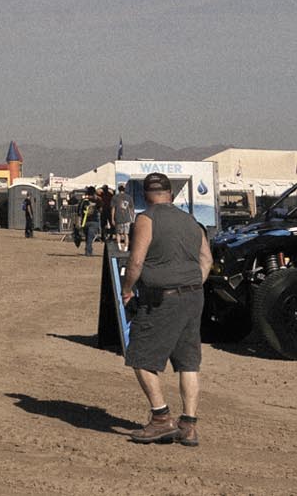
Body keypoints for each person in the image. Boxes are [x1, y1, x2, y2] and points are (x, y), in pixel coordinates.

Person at [120, 172, 211, 447]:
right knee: (188, 361)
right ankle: (189, 425)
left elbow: (136, 261)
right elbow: (206, 259)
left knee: (140, 356)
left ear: (145, 195)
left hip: (162, 299)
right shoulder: (190, 220)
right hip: (194, 296)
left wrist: (127, 290)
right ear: (170, 193)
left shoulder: (146, 219)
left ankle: (161, 419)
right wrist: (192, 282)